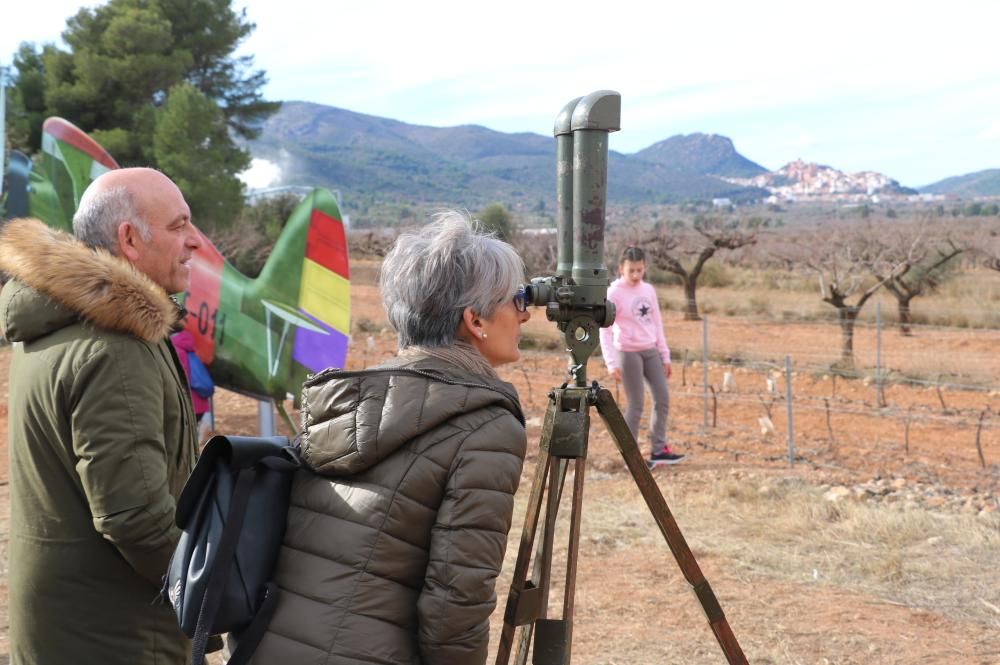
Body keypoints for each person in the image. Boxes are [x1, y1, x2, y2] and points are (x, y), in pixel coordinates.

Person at [248, 211, 531, 665]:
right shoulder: (485, 426)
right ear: (475, 319)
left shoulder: (352, 402)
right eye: (516, 300)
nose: (526, 313)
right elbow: (456, 601)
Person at [0, 168, 203, 664]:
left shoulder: (56, 323)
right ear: (129, 239)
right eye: (180, 226)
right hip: (115, 634)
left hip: (64, 622)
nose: (196, 242)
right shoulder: (113, 348)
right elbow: (135, 518)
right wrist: (215, 592)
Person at [599, 246, 685, 467]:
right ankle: (632, 457)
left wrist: (665, 355)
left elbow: (657, 323)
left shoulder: (648, 290)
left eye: (640, 270)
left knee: (662, 398)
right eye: (631, 271)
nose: (636, 275)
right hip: (627, 352)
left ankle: (659, 450)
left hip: (651, 350)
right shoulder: (614, 292)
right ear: (621, 269)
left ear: (645, 267)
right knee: (636, 404)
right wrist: (611, 362)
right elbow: (605, 330)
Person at [170, 329, 212, 426]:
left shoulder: (176, 351)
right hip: (200, 403)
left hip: (189, 405)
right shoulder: (191, 349)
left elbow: (181, 381)